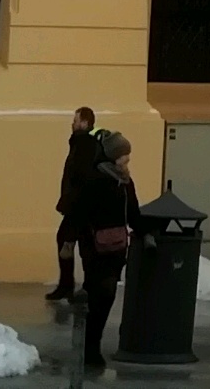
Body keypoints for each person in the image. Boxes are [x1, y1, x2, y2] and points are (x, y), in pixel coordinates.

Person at [77, 129, 137, 374]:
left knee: (106, 296)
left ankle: (91, 345)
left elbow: (133, 213)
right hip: (95, 248)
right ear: (113, 157)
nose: (127, 160)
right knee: (98, 296)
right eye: (124, 155)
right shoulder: (96, 179)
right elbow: (81, 213)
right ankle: (89, 348)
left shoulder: (124, 181)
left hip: (115, 248)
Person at [49, 105, 99, 302]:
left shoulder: (85, 145)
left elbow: (79, 178)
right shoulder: (80, 143)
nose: (73, 123)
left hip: (80, 207)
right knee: (74, 243)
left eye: (76, 120)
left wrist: (71, 202)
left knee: (76, 244)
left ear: (85, 123)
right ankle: (73, 286)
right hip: (78, 205)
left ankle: (73, 286)